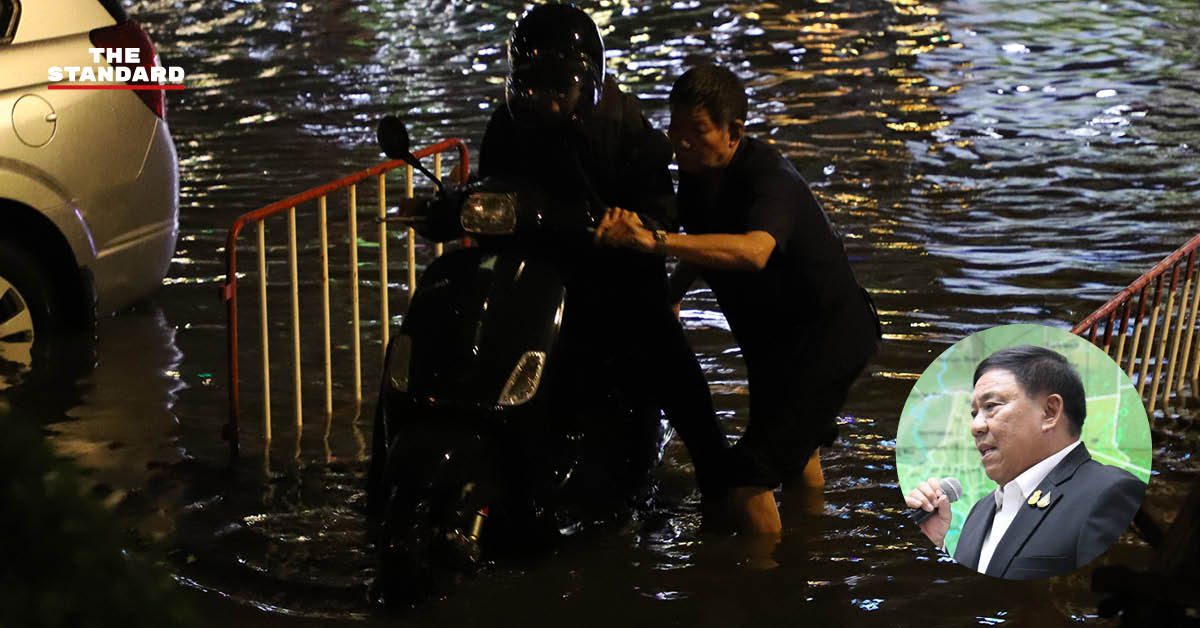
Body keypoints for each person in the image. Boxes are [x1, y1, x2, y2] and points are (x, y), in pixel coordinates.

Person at [594, 64, 881, 534]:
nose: (681, 142)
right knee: (794, 450)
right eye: (676, 128)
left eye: (698, 130)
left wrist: (653, 241)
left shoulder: (769, 178)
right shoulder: (695, 178)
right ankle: (812, 546)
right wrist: (671, 294)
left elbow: (753, 251)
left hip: (826, 339)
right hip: (777, 342)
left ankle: (766, 588)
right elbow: (705, 243)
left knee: (748, 475)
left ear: (734, 132)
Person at [477, 4, 728, 499]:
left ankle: (724, 484)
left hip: (617, 282)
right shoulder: (507, 126)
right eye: (534, 86)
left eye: (559, 88)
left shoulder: (622, 125)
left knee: (680, 386)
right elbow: (487, 188)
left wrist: (631, 229)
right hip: (535, 282)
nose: (547, 101)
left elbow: (661, 215)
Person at [904, 345, 1147, 579]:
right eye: (974, 413)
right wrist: (935, 545)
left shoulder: (1109, 492)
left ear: (1049, 412)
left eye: (991, 406)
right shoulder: (980, 511)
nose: (976, 426)